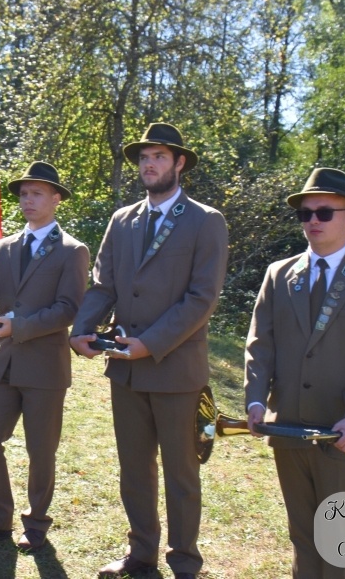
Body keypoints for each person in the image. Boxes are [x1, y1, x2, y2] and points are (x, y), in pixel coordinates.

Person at [69, 123, 228, 579]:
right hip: (127, 369)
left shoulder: (205, 221)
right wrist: (82, 329)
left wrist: (150, 344)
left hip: (176, 370)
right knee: (135, 470)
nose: (149, 164)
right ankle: (141, 553)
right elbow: (104, 285)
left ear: (180, 163)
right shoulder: (123, 220)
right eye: (143, 157)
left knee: (182, 473)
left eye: (159, 156)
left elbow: (202, 298)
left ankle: (184, 562)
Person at [244, 167, 345, 579]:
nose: (313, 220)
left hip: (341, 433)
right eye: (305, 213)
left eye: (324, 212)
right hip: (288, 428)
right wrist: (256, 399)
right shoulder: (279, 275)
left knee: (340, 544)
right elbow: (261, 345)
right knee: (303, 536)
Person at [0, 161, 89, 551]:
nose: (28, 200)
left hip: (45, 367)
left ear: (56, 199)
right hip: (4, 363)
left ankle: (37, 523)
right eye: (24, 194)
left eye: (37, 193)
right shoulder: (6, 246)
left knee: (40, 450)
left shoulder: (72, 251)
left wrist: (20, 325)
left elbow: (68, 309)